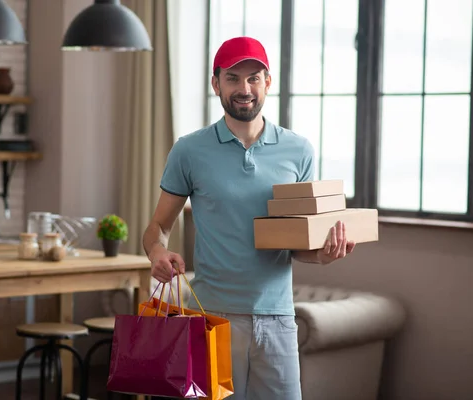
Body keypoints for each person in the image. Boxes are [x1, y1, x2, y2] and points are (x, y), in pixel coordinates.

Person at [142, 36, 356, 400]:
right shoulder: (189, 150)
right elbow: (158, 226)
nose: (244, 88)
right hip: (211, 317)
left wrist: (323, 254)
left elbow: (295, 243)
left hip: (278, 320)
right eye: (233, 78)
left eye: (254, 78)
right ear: (216, 83)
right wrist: (158, 253)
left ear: (267, 82)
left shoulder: (299, 150)